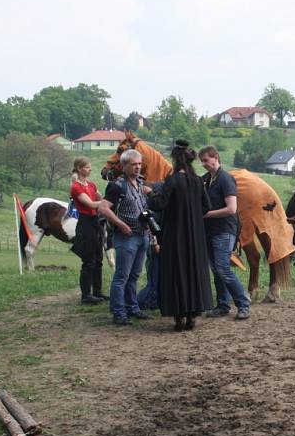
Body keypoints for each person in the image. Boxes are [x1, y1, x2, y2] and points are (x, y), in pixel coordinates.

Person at [147, 141, 212, 331]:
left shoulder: (173, 180)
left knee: (176, 272)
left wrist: (150, 193)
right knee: (193, 272)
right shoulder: (198, 181)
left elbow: (159, 204)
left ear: (176, 160)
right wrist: (192, 216)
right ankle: (192, 316)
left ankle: (179, 318)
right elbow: (206, 206)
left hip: (175, 234)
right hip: (196, 235)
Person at [98, 149, 153, 326]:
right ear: (123, 166)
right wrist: (121, 224)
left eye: (139, 164)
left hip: (143, 234)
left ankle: (132, 307)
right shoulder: (117, 186)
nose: (137, 167)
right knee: (122, 275)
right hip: (126, 237)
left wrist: (152, 235)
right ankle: (118, 312)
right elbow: (103, 208)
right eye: (133, 164)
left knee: (135, 275)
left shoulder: (141, 183)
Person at [199, 146, 251, 320]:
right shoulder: (206, 179)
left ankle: (243, 303)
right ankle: (222, 305)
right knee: (216, 270)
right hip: (210, 231)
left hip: (224, 230)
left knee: (223, 269)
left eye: (206, 160)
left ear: (216, 158)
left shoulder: (226, 179)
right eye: (202, 161)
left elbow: (231, 209)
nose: (204, 164)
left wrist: (206, 215)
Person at [69, 157, 107, 305]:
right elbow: (91, 204)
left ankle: (97, 292)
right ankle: (86, 295)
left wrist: (106, 201)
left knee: (98, 259)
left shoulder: (91, 185)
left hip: (94, 222)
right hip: (85, 223)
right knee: (89, 261)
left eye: (90, 167)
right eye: (87, 167)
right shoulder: (76, 187)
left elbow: (100, 197)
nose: (90, 169)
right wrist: (107, 203)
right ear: (79, 168)